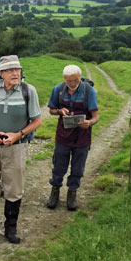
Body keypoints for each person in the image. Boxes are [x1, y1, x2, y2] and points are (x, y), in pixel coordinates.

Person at [0, 55, 42, 244]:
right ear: (1, 73)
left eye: (17, 69)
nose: (15, 73)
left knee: (14, 188)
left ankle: (10, 228)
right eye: (10, 70)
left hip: (16, 148)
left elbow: (37, 120)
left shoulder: (29, 91)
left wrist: (18, 135)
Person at [46, 65, 99, 211]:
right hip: (63, 135)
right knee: (58, 166)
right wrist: (59, 111)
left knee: (78, 168)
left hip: (82, 136)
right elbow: (51, 110)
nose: (73, 84)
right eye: (69, 81)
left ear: (80, 76)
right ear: (64, 79)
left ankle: (72, 194)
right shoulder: (58, 89)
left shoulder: (89, 91)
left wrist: (89, 123)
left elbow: (96, 117)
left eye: (75, 80)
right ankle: (54, 192)